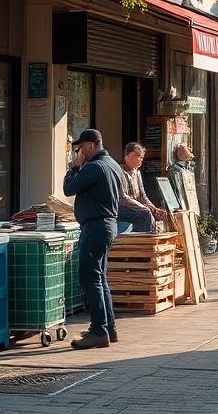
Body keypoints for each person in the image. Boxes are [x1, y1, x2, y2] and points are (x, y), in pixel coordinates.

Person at [62, 128, 123, 350]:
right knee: (99, 278)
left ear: (90, 145)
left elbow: (68, 189)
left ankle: (99, 332)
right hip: (107, 225)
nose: (79, 152)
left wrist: (73, 167)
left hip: (96, 226)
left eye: (80, 148)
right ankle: (109, 328)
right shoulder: (112, 164)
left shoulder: (94, 167)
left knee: (90, 278)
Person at [117, 142, 169, 233]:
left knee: (158, 213)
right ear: (129, 155)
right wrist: (142, 207)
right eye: (139, 157)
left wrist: (153, 208)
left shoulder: (137, 173)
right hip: (121, 208)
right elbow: (123, 197)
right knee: (145, 214)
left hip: (135, 207)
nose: (141, 160)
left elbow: (142, 195)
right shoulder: (119, 171)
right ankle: (142, 241)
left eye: (142, 158)